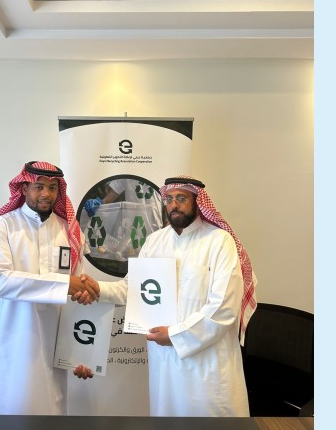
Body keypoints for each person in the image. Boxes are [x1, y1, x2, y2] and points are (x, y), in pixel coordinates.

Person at [79, 175, 258, 416]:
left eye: (181, 198)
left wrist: (174, 335)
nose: (174, 205)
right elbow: (133, 288)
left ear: (197, 201)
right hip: (164, 360)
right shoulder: (155, 241)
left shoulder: (218, 241)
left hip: (206, 366)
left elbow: (223, 309)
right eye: (170, 199)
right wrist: (97, 289)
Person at [0, 161, 102, 415]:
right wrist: (65, 284)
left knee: (49, 412)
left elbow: (77, 295)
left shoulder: (69, 230)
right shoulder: (2, 226)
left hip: (53, 341)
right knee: (5, 410)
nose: (46, 194)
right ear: (23, 188)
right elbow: (0, 282)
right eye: (39, 186)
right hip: (9, 337)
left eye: (52, 188)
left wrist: (81, 353)